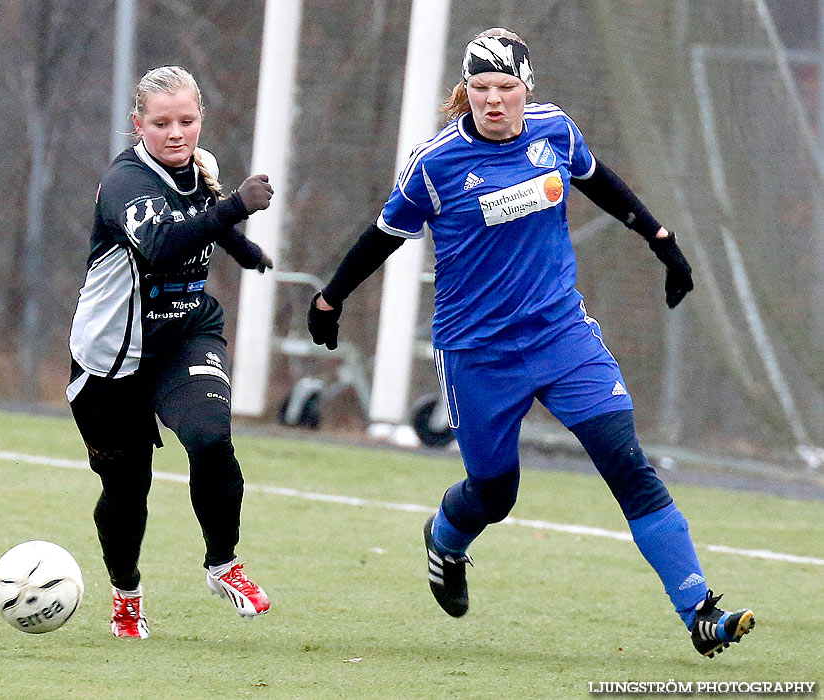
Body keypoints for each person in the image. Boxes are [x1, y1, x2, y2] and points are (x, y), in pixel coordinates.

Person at [307, 29, 755, 658]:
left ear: (527, 89)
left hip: (561, 334)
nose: (493, 101)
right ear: (465, 93)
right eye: (481, 90)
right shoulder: (436, 164)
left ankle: (699, 611)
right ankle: (445, 537)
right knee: (495, 492)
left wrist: (661, 239)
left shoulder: (555, 132)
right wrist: (331, 296)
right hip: (476, 351)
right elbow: (382, 234)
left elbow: (600, 180)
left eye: (506, 88)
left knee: (625, 460)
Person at [67, 65, 274, 638]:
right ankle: (126, 594)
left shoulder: (200, 167)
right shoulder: (126, 183)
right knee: (127, 488)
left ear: (200, 117)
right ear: (139, 124)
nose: (176, 133)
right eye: (162, 123)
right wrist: (235, 207)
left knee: (211, 438)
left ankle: (223, 564)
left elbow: (205, 220)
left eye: (186, 120)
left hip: (185, 333)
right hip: (112, 357)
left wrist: (245, 248)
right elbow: (160, 244)